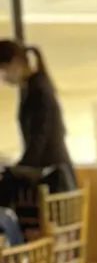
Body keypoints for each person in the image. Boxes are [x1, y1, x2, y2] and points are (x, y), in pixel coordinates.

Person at [0, 39, 75, 204]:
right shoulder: (31, 88)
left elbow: (39, 138)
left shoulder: (38, 89)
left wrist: (18, 169)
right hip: (53, 175)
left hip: (54, 178)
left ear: (16, 63)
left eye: (3, 70)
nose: (3, 78)